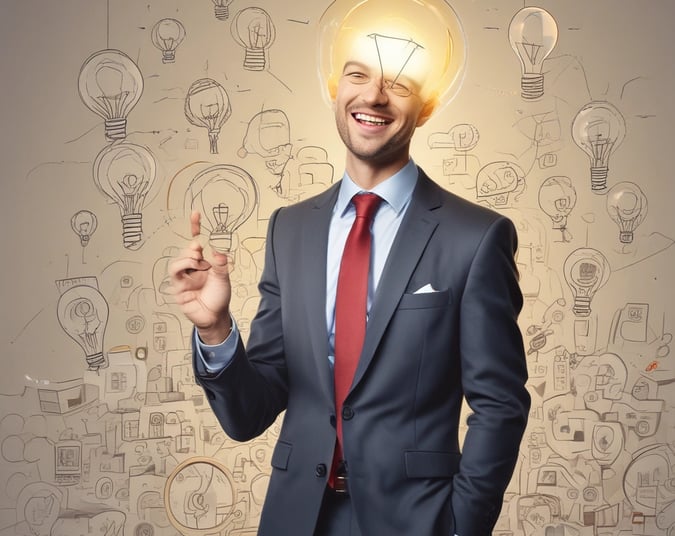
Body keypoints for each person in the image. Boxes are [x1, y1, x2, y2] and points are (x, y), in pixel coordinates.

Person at [169, 1, 530, 534]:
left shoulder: (475, 238)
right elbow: (251, 414)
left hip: (417, 522)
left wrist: (461, 525)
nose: (373, 96)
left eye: (399, 83)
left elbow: (500, 403)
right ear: (336, 90)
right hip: (297, 518)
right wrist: (216, 329)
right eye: (357, 75)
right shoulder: (289, 229)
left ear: (426, 107)